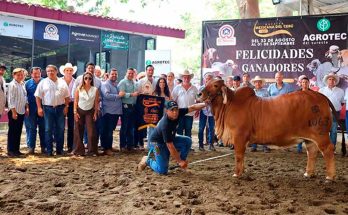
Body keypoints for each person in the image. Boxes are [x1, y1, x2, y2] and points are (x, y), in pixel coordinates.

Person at [138, 101, 207, 174]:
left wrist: (206, 104)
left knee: (187, 141)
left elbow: (192, 107)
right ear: (167, 111)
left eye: (176, 109)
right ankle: (148, 160)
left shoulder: (178, 113)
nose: (175, 112)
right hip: (158, 143)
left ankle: (180, 163)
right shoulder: (165, 125)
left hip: (169, 139)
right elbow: (170, 146)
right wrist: (179, 161)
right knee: (162, 171)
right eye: (172, 110)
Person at [35, 65, 70, 156]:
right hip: (47, 109)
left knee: (61, 129)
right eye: (48, 71)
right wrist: (39, 108)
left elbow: (67, 96)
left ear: (56, 71)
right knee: (48, 130)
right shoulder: (43, 82)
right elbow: (38, 96)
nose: (50, 72)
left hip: (60, 108)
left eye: (52, 71)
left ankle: (59, 150)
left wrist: (66, 107)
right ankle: (49, 150)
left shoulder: (62, 82)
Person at [73, 72, 100, 156]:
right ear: (83, 79)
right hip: (80, 110)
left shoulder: (95, 89)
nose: (87, 80)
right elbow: (76, 101)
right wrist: (75, 112)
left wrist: (96, 112)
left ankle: (92, 151)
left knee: (91, 131)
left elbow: (96, 102)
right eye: (86, 78)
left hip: (90, 111)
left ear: (92, 80)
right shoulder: (78, 89)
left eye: (89, 78)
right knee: (78, 130)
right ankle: (79, 151)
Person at [319, 72, 344, 150]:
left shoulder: (340, 91)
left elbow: (342, 102)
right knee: (323, 131)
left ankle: (332, 148)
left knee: (333, 131)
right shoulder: (321, 90)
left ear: (335, 81)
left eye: (333, 79)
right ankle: (323, 147)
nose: (331, 80)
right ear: (327, 81)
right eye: (329, 79)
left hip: (335, 113)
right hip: (323, 113)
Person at [100, 68, 122, 155]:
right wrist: (118, 96)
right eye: (112, 74)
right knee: (107, 130)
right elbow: (106, 95)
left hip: (115, 112)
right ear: (108, 75)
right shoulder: (105, 84)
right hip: (108, 111)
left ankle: (109, 146)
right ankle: (106, 148)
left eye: (115, 74)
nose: (114, 75)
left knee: (111, 130)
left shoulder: (116, 85)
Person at [7, 68, 28, 157]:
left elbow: (25, 96)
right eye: (18, 75)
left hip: (21, 111)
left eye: (21, 75)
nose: (20, 76)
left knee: (18, 131)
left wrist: (27, 107)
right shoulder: (12, 85)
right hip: (14, 111)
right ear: (14, 75)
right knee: (12, 131)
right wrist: (14, 112)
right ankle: (11, 150)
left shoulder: (22, 84)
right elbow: (10, 99)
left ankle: (16, 149)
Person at [172, 69, 199, 139]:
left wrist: (198, 110)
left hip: (190, 112)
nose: (186, 79)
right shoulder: (177, 88)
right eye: (185, 77)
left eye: (188, 77)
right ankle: (180, 146)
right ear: (182, 78)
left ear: (190, 78)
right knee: (179, 130)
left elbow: (198, 99)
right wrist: (174, 111)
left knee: (188, 130)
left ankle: (188, 146)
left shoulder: (195, 88)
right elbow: (173, 100)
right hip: (180, 112)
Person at [135, 65, 157, 150]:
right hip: (143, 105)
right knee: (142, 125)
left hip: (153, 106)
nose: (150, 72)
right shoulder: (141, 81)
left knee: (152, 125)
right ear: (146, 71)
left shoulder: (156, 81)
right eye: (149, 70)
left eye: (152, 70)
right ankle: (140, 144)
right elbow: (138, 93)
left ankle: (151, 144)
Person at [24, 67, 45, 154]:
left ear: (41, 73)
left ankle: (44, 147)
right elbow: (25, 97)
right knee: (31, 128)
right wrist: (27, 107)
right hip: (31, 108)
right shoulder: (27, 83)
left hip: (43, 108)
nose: (36, 75)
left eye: (38, 73)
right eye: (34, 73)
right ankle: (31, 147)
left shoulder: (45, 82)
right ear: (31, 74)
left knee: (44, 128)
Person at [118, 68, 138, 151]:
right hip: (125, 106)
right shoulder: (123, 82)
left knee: (131, 127)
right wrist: (131, 94)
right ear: (126, 73)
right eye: (129, 73)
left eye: (132, 73)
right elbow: (121, 94)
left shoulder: (134, 82)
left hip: (133, 107)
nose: (130, 74)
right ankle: (122, 145)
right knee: (124, 126)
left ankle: (130, 145)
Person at [250, 75, 270, 153]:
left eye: (259, 82)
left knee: (264, 130)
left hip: (263, 113)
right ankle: (254, 146)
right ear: (254, 83)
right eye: (256, 82)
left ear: (261, 83)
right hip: (254, 113)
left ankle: (265, 146)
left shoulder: (266, 91)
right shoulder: (252, 92)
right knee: (254, 130)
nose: (257, 83)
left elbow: (269, 101)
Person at [60, 63, 77, 153]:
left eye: (70, 70)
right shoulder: (59, 81)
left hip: (72, 103)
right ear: (64, 71)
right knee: (60, 125)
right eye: (67, 70)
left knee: (71, 126)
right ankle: (60, 146)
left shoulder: (76, 81)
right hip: (62, 104)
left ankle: (71, 146)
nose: (69, 72)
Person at [198, 71, 215, 151]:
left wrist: (211, 101)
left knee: (212, 128)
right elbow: (197, 98)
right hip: (203, 110)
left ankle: (211, 144)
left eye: (210, 79)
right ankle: (200, 145)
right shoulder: (201, 88)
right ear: (205, 80)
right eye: (207, 79)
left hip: (212, 111)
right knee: (201, 128)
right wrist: (203, 100)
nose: (208, 80)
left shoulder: (215, 89)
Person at [297, 76, 310, 153]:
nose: (304, 83)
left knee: (309, 132)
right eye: (303, 82)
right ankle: (299, 148)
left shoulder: (312, 93)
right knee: (299, 132)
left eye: (306, 82)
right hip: (300, 115)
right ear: (301, 84)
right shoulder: (297, 93)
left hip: (309, 115)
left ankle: (309, 148)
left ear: (309, 83)